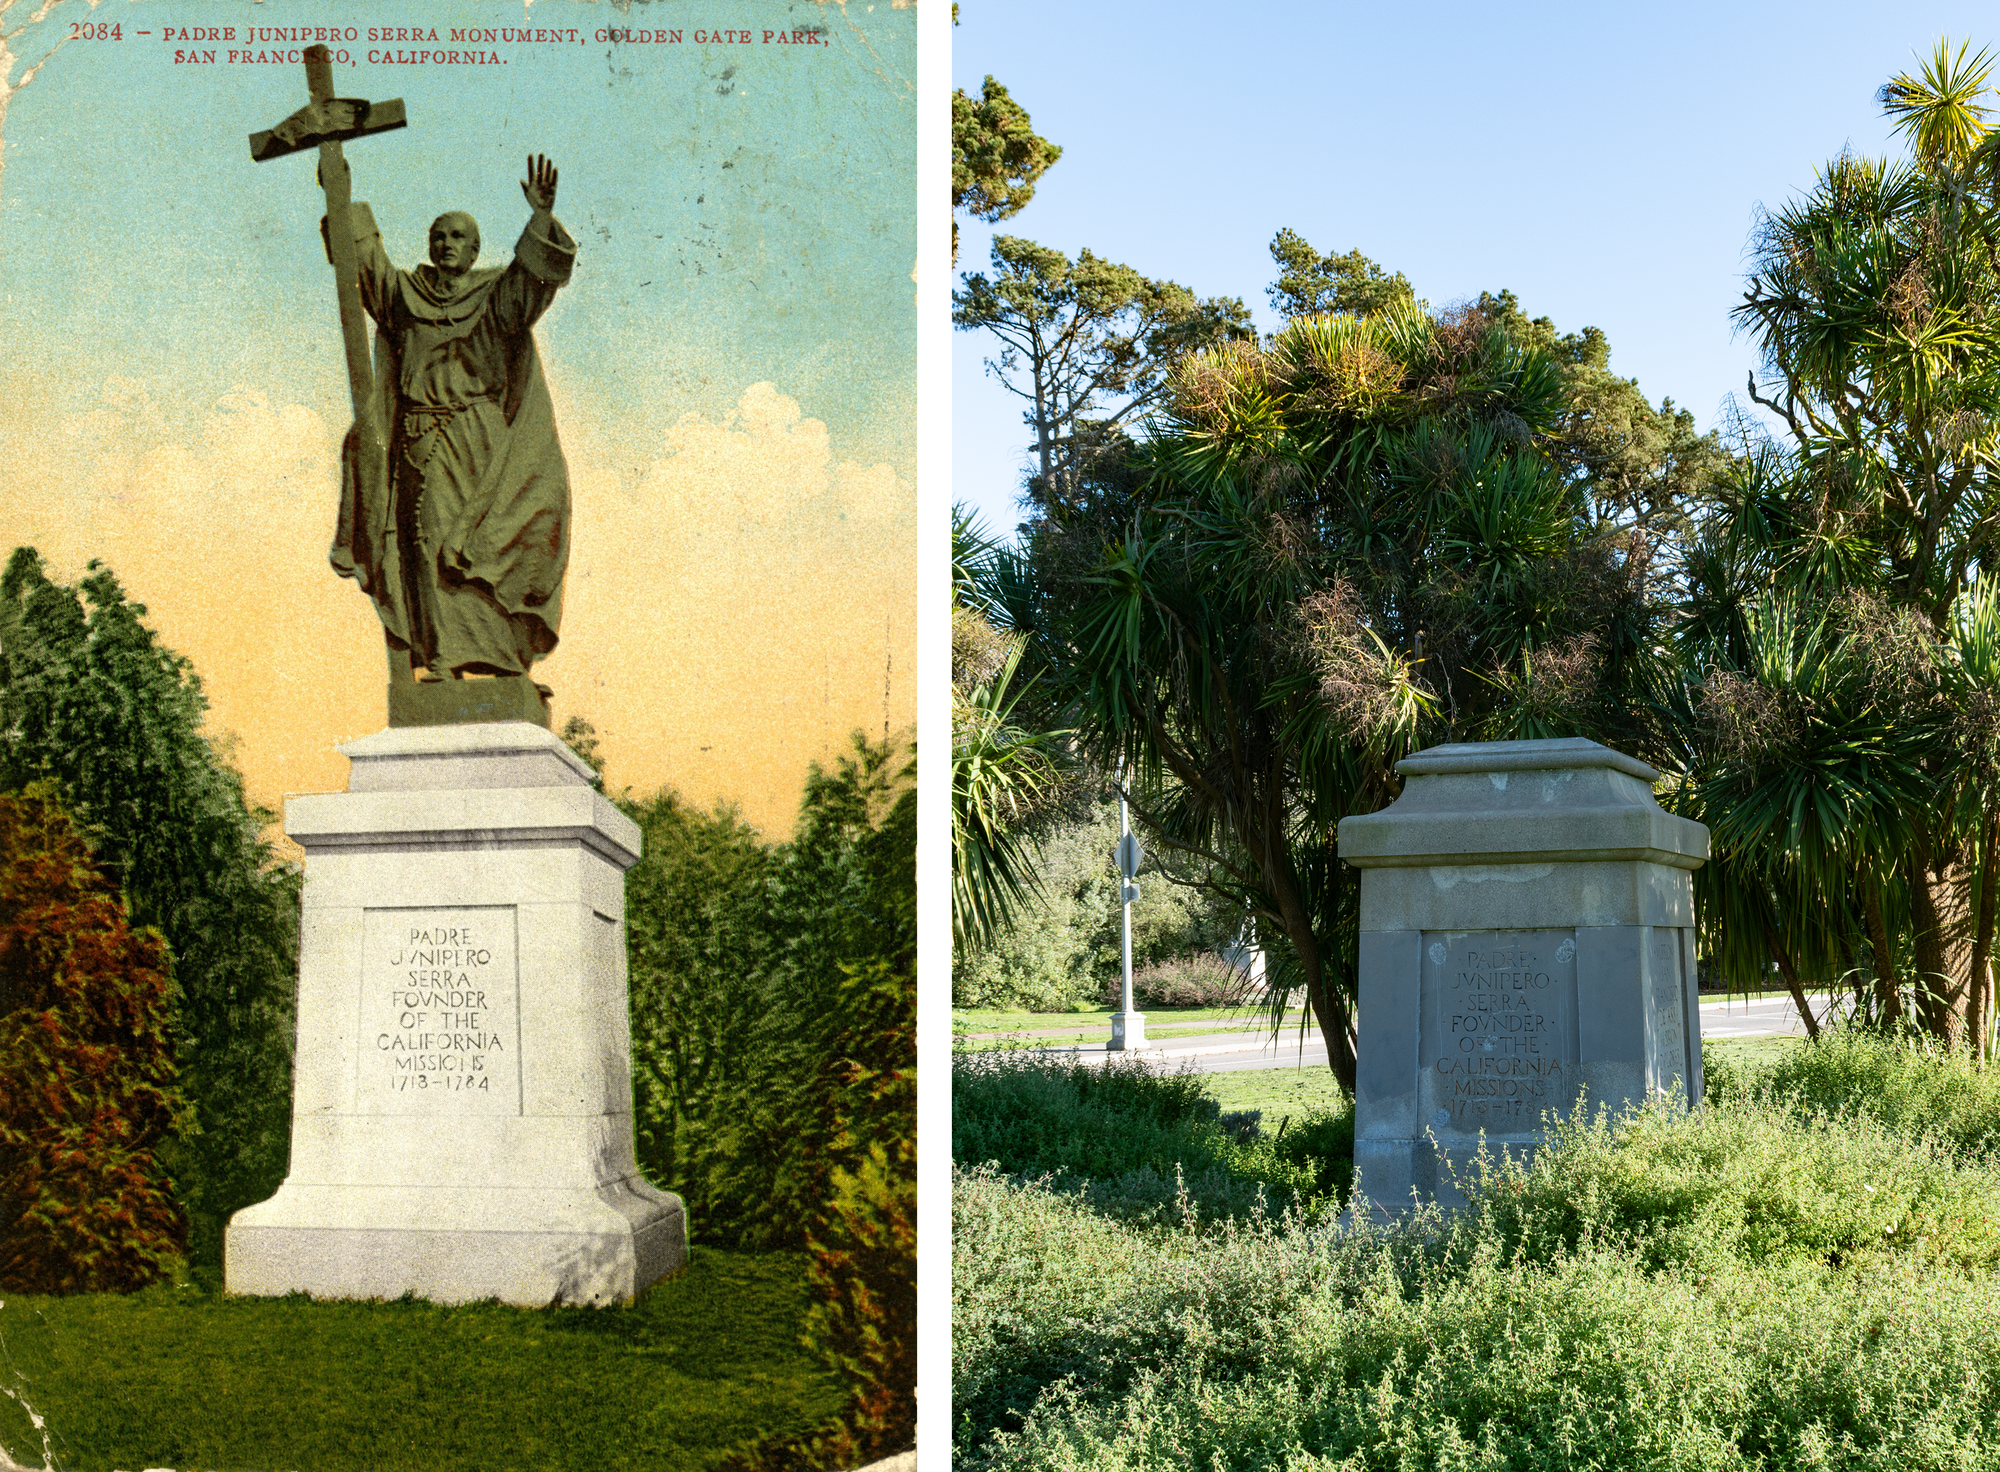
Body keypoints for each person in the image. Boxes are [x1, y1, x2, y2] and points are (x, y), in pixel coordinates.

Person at [329, 154, 576, 686]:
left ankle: (507, 660)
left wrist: (539, 218)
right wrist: (342, 197)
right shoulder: (405, 297)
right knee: (426, 543)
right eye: (438, 236)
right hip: (421, 440)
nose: (446, 244)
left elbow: (532, 285)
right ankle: (441, 658)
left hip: (481, 440)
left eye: (458, 237)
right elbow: (366, 269)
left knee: (492, 542)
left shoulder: (495, 296)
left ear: (475, 250)